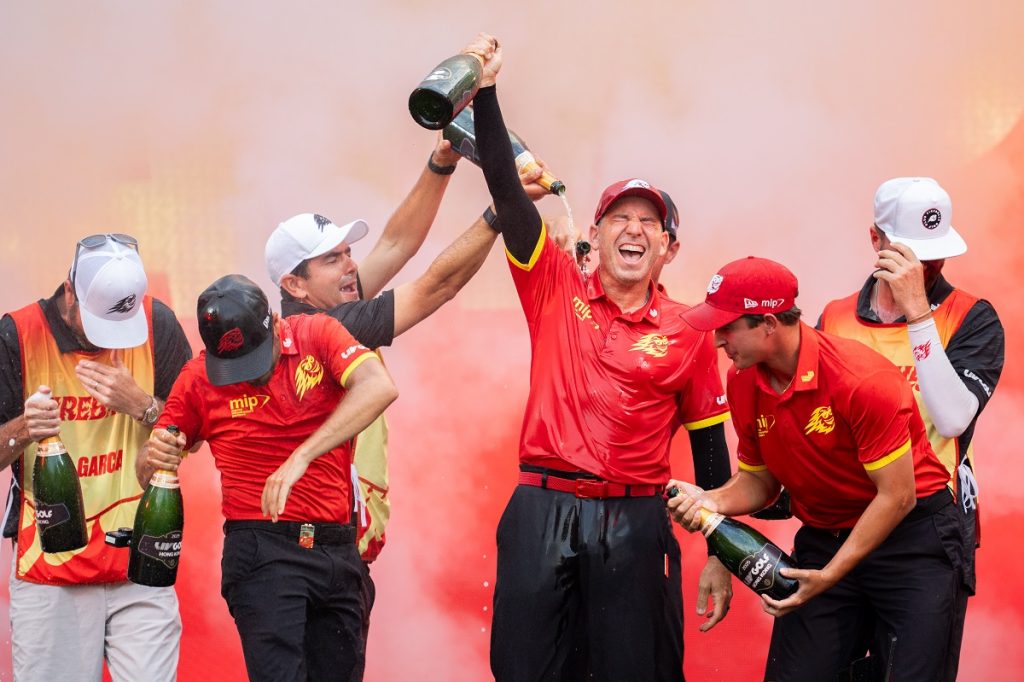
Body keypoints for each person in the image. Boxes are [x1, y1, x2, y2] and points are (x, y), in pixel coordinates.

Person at [465, 34, 734, 681]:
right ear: (596, 231)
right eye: (620, 217)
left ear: (669, 247)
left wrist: (722, 552)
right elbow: (505, 189)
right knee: (527, 671)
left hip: (636, 519)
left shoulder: (690, 328)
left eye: (650, 221)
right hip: (540, 510)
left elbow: (709, 456)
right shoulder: (553, 284)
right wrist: (487, 95)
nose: (634, 229)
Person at [265, 138, 548, 638]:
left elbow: (397, 244)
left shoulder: (326, 313)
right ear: (295, 286)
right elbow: (437, 285)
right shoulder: (333, 329)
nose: (352, 266)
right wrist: (500, 211)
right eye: (333, 260)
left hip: (318, 553)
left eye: (349, 253)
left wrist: (442, 162)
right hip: (312, 556)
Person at [670, 256, 963, 682]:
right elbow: (759, 481)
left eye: (727, 327)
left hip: (910, 540)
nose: (718, 340)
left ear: (769, 323)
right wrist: (708, 500)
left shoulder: (860, 380)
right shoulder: (742, 380)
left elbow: (897, 496)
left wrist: (828, 576)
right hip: (826, 537)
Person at [143, 274, 397, 681]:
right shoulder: (196, 378)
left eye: (257, 358)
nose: (249, 375)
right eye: (235, 367)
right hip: (263, 551)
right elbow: (151, 465)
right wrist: (155, 455)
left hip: (337, 547)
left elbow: (379, 386)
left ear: (276, 323)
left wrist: (302, 456)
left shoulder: (318, 332)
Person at [818, 176, 1004, 679]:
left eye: (936, 252)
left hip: (927, 527)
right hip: (840, 525)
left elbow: (952, 417)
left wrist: (919, 314)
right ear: (876, 241)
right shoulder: (834, 318)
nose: (929, 266)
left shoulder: (972, 317)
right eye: (913, 253)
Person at [0, 234, 191, 681]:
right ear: (70, 291)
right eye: (98, 322)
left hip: (142, 564)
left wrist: (144, 406)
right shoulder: (16, 335)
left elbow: (194, 436)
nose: (109, 340)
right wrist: (26, 427)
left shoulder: (156, 322)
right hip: (50, 571)